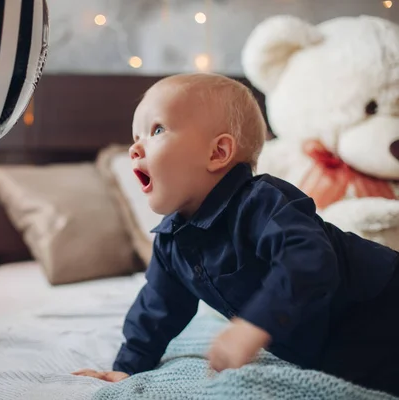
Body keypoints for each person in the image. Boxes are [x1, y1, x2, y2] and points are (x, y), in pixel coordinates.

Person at [72, 73, 399, 397]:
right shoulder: (172, 241)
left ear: (218, 153)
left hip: (381, 304)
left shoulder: (261, 201)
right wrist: (127, 367)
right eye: (135, 136)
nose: (135, 148)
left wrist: (256, 324)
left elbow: (308, 258)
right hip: (337, 349)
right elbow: (157, 308)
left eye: (156, 129)